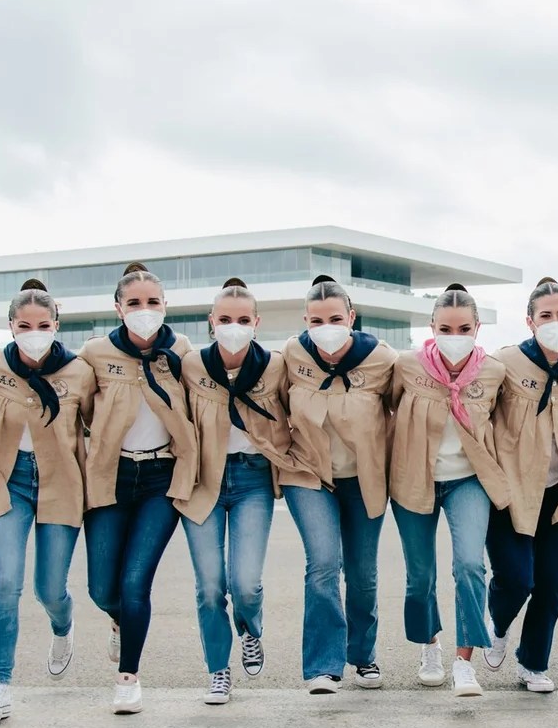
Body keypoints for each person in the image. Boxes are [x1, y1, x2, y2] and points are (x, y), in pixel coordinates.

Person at [0, 279, 96, 723]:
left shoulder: (79, 371)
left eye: (43, 324)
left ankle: (63, 625)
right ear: (11, 325)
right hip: (8, 482)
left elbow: (110, 421)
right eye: (25, 325)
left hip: (61, 482)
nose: (34, 332)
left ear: (56, 324)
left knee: (49, 589)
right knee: (5, 582)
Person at [80, 262, 199, 714]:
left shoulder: (182, 351)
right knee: (102, 591)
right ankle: (118, 621)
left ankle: (128, 676)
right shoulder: (94, 353)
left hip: (160, 479)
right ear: (118, 307)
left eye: (153, 302)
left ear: (165, 306)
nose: (144, 310)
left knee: (135, 583)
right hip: (109, 477)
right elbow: (76, 404)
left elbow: (201, 402)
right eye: (134, 303)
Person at [389, 285, 510, 698]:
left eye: (463, 328)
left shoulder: (493, 371)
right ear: (432, 327)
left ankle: (464, 662)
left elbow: (506, 425)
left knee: (470, 567)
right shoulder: (406, 366)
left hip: (468, 481)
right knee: (420, 576)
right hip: (414, 479)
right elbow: (386, 407)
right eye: (445, 328)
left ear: (476, 328)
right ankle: (430, 647)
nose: (453, 335)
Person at [180, 278, 297, 704]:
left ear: (256, 322)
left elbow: (297, 409)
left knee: (245, 583)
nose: (234, 326)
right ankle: (217, 670)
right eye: (225, 319)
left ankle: (250, 629)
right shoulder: (192, 364)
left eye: (243, 319)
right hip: (202, 480)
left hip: (252, 480)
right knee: (210, 585)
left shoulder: (275, 365)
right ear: (211, 322)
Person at [281, 275, 398, 694]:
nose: (325, 326)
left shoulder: (382, 359)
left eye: (334, 317)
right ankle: (323, 666)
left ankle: (363, 655)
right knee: (324, 565)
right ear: (306, 321)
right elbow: (270, 405)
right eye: (316, 319)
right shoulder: (293, 354)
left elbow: (406, 411)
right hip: (308, 475)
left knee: (363, 575)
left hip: (364, 479)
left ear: (351, 317)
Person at [483, 276, 558, 693]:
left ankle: (533, 663)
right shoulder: (506, 361)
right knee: (516, 579)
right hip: (512, 492)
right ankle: (498, 622)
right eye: (546, 315)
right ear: (529, 321)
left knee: (552, 583)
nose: (555, 322)